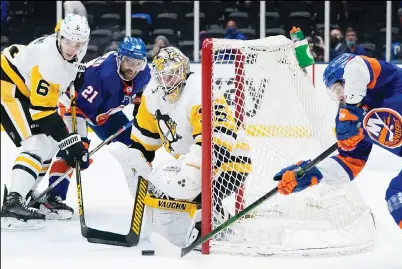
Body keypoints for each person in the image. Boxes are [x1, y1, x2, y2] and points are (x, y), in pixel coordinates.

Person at [273, 53, 402, 269]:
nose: (340, 96)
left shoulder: (389, 79)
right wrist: (313, 173)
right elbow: (350, 163)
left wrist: (350, 105)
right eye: (334, 93)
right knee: (399, 193)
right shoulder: (352, 118)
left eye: (340, 86)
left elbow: (358, 66)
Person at [109, 46, 251, 249]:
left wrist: (192, 168)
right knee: (167, 187)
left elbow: (218, 139)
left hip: (230, 162)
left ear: (183, 71)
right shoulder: (153, 94)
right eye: (162, 76)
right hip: (193, 159)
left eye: (172, 75)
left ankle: (216, 219)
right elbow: (144, 140)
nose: (167, 82)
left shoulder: (200, 88)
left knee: (187, 189)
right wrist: (136, 160)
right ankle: (209, 216)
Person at [31, 36, 151, 220]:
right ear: (120, 58)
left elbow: (144, 92)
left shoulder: (144, 73)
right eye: (128, 61)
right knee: (76, 152)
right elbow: (80, 109)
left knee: (136, 145)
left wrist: (140, 104)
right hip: (75, 106)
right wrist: (79, 144)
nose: (132, 68)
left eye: (137, 63)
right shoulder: (100, 76)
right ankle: (54, 197)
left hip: (105, 112)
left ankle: (147, 193)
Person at [0, 14, 91, 230]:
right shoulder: (50, 62)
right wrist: (71, 142)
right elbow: (42, 112)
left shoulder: (72, 42)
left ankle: (28, 195)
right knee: (38, 143)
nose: (72, 48)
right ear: (59, 36)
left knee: (50, 145)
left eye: (78, 44)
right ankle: (12, 203)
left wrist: (74, 74)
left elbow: (70, 55)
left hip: (25, 86)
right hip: (7, 85)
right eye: (68, 42)